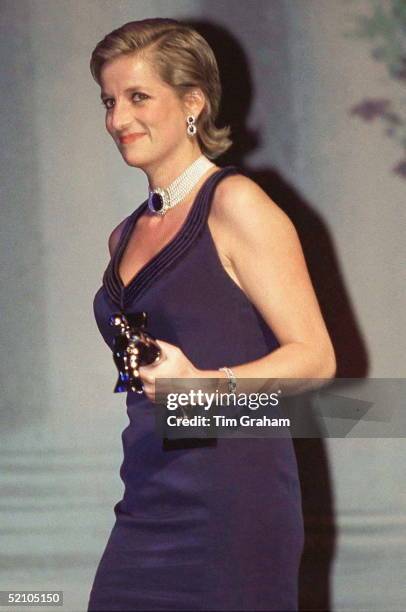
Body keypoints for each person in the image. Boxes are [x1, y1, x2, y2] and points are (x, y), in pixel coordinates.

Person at [88, 17, 336, 612]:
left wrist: (204, 388)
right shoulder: (123, 235)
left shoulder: (236, 203)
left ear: (193, 102)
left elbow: (316, 358)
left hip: (233, 503)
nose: (118, 120)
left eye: (138, 97)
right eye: (109, 100)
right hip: (147, 497)